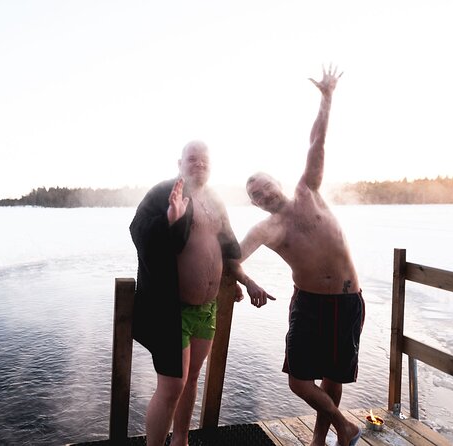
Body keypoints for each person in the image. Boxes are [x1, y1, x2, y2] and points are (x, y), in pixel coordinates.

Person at [240, 66, 364, 446]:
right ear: (255, 205)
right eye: (256, 196)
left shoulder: (308, 191)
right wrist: (249, 282)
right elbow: (232, 258)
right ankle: (345, 426)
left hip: (347, 300)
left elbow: (317, 143)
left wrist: (327, 98)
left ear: (277, 182)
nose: (264, 195)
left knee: (334, 377)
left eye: (265, 187)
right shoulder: (266, 229)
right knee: (299, 381)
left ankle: (321, 440)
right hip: (309, 305)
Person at [129, 140, 270, 446]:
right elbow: (138, 231)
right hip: (171, 309)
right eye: (192, 159)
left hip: (207, 309)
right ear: (180, 162)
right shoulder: (162, 193)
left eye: (204, 160)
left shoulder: (216, 201)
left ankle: (181, 440)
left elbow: (227, 250)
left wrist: (246, 280)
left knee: (191, 380)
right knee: (171, 386)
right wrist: (169, 219)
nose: (199, 164)